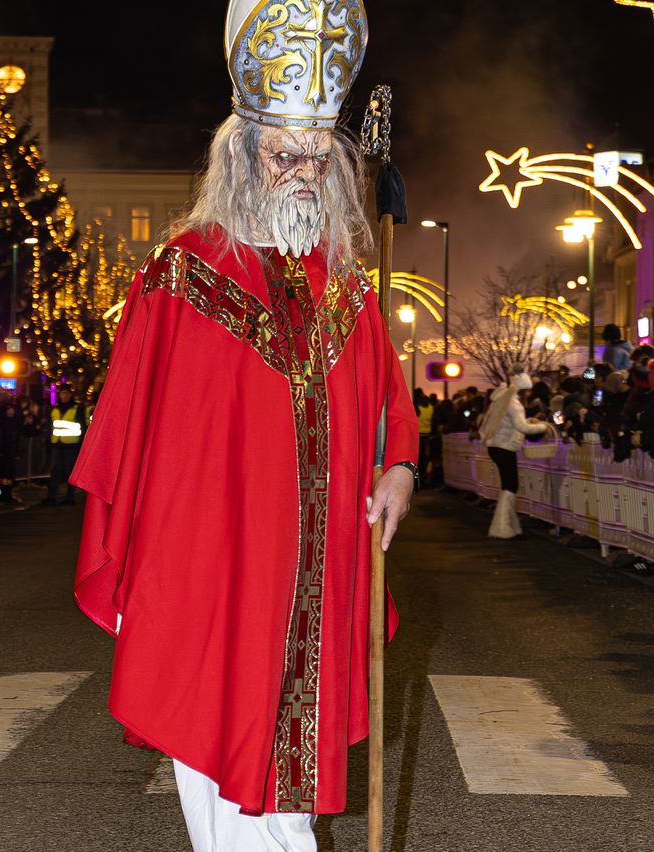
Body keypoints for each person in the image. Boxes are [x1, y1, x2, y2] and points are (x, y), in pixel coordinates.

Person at [69, 3, 418, 849]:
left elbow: (388, 410)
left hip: (322, 568)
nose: (301, 171)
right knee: (226, 766)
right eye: (282, 153)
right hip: (212, 570)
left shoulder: (348, 288)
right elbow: (133, 428)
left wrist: (400, 468)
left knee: (290, 778)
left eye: (316, 157)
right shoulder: (182, 274)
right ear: (241, 154)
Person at [479, 367, 551, 539]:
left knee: (508, 485)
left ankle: (509, 526)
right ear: (524, 390)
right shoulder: (514, 403)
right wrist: (544, 426)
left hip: (496, 445)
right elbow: (521, 427)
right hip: (505, 447)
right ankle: (502, 527)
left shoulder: (503, 399)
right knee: (510, 486)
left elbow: (513, 423)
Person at [43, 385, 85, 506]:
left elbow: (82, 427)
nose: (64, 395)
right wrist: (48, 444)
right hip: (57, 445)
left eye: (66, 393)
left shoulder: (77, 409)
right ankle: (52, 497)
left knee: (69, 472)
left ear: (70, 395)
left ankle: (70, 498)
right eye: (62, 393)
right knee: (54, 472)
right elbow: (50, 428)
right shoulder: (54, 409)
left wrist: (80, 446)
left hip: (71, 446)